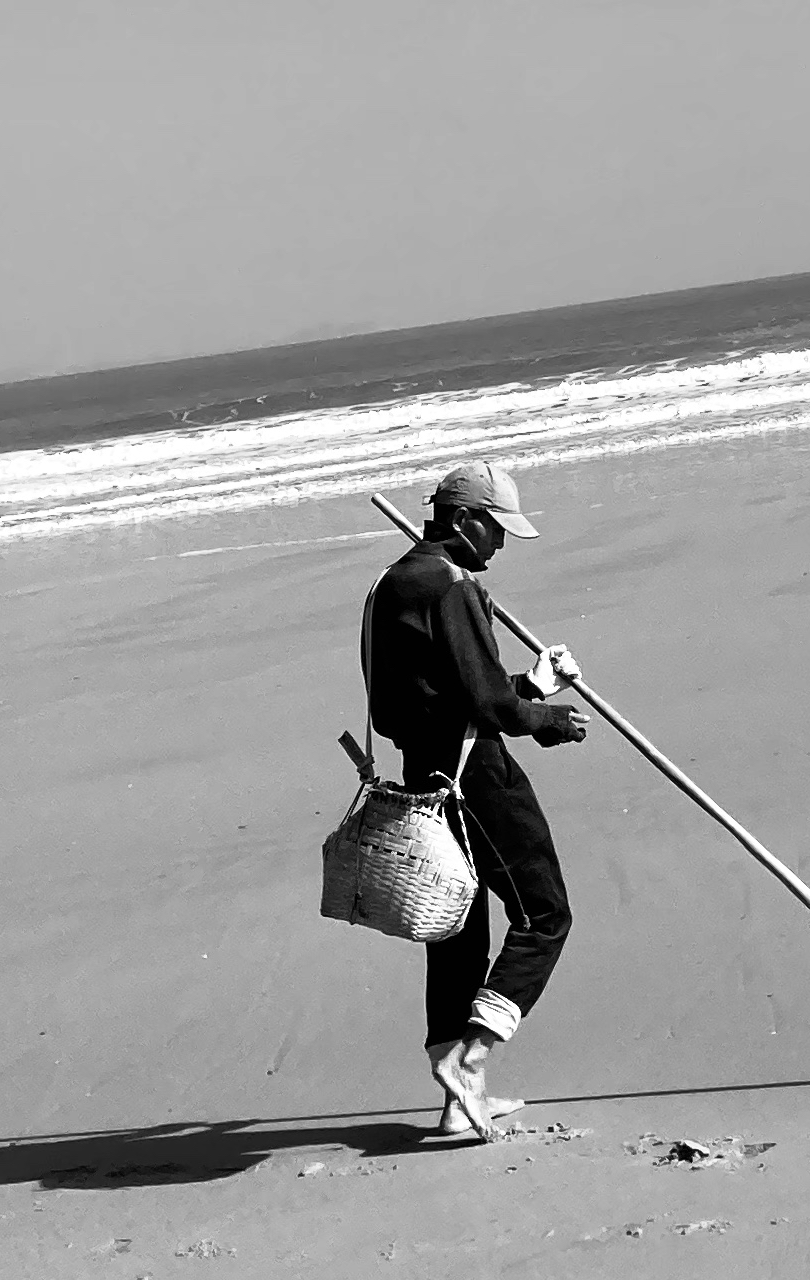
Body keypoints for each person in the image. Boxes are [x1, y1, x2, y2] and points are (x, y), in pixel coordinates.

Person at [363, 460, 589, 1141]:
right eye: (495, 528)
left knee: (460, 927)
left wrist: (532, 687)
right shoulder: (451, 585)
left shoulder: (391, 583)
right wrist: (546, 719)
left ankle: (460, 1105)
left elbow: (439, 695)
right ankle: (471, 1055)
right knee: (545, 914)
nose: (501, 542)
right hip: (476, 772)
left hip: (423, 773)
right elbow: (490, 707)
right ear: (463, 520)